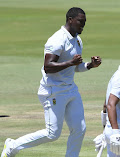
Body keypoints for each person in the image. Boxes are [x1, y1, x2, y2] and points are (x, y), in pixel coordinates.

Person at [1, 7, 101, 157]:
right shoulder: (57, 39)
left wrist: (90, 65)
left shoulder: (77, 40)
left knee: (79, 129)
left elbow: (75, 67)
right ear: (70, 20)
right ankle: (12, 146)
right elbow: (48, 67)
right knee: (52, 133)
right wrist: (70, 63)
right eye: (80, 21)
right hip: (53, 91)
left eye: (85, 22)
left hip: (70, 90)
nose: (83, 25)